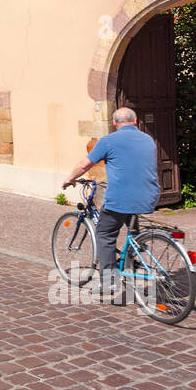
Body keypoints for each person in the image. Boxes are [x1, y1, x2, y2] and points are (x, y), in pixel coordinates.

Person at [61, 107, 160, 298]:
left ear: (114, 123)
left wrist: (70, 179)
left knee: (104, 234)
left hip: (121, 197)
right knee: (131, 225)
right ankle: (134, 257)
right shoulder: (148, 139)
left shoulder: (108, 140)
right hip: (149, 196)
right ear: (136, 121)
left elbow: (85, 164)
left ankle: (109, 283)